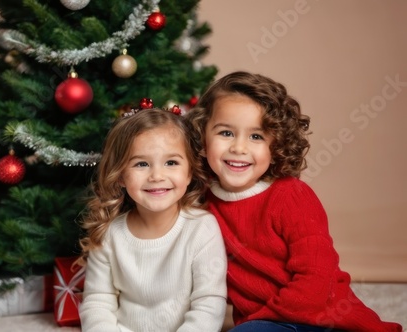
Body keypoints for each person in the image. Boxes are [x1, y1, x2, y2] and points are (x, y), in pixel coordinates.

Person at [186, 71, 402, 332]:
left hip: (321, 319)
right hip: (267, 323)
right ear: (202, 134)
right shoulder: (201, 200)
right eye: (225, 133)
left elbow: (316, 281)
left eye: (256, 136)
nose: (239, 148)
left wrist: (259, 319)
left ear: (277, 144)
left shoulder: (290, 196)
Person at [78, 108, 228, 331]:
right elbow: (98, 301)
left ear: (189, 172)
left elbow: (209, 303)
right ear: (120, 175)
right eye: (141, 164)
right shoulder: (110, 233)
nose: (157, 176)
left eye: (171, 163)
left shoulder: (201, 228)